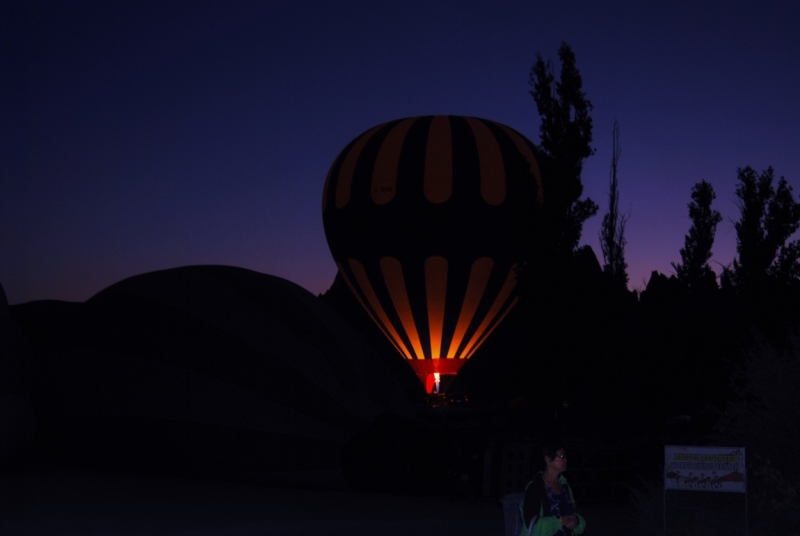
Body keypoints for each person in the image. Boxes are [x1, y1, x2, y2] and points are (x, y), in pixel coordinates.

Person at [519, 443, 586, 536]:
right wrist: (560, 521)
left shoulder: (564, 486)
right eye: (561, 456)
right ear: (548, 459)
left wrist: (576, 521)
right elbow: (533, 526)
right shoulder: (535, 488)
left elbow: (578, 516)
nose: (565, 459)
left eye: (565, 456)